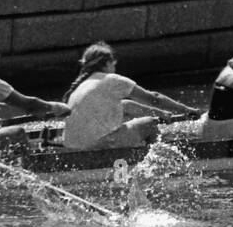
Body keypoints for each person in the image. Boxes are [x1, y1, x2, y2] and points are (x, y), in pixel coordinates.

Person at [61, 42, 201, 151]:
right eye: (113, 64)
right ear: (108, 63)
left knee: (142, 121)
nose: (114, 68)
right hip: (99, 148)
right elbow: (154, 98)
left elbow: (125, 105)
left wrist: (161, 113)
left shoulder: (81, 85)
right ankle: (155, 167)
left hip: (73, 150)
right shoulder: (111, 80)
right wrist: (187, 110)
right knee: (150, 124)